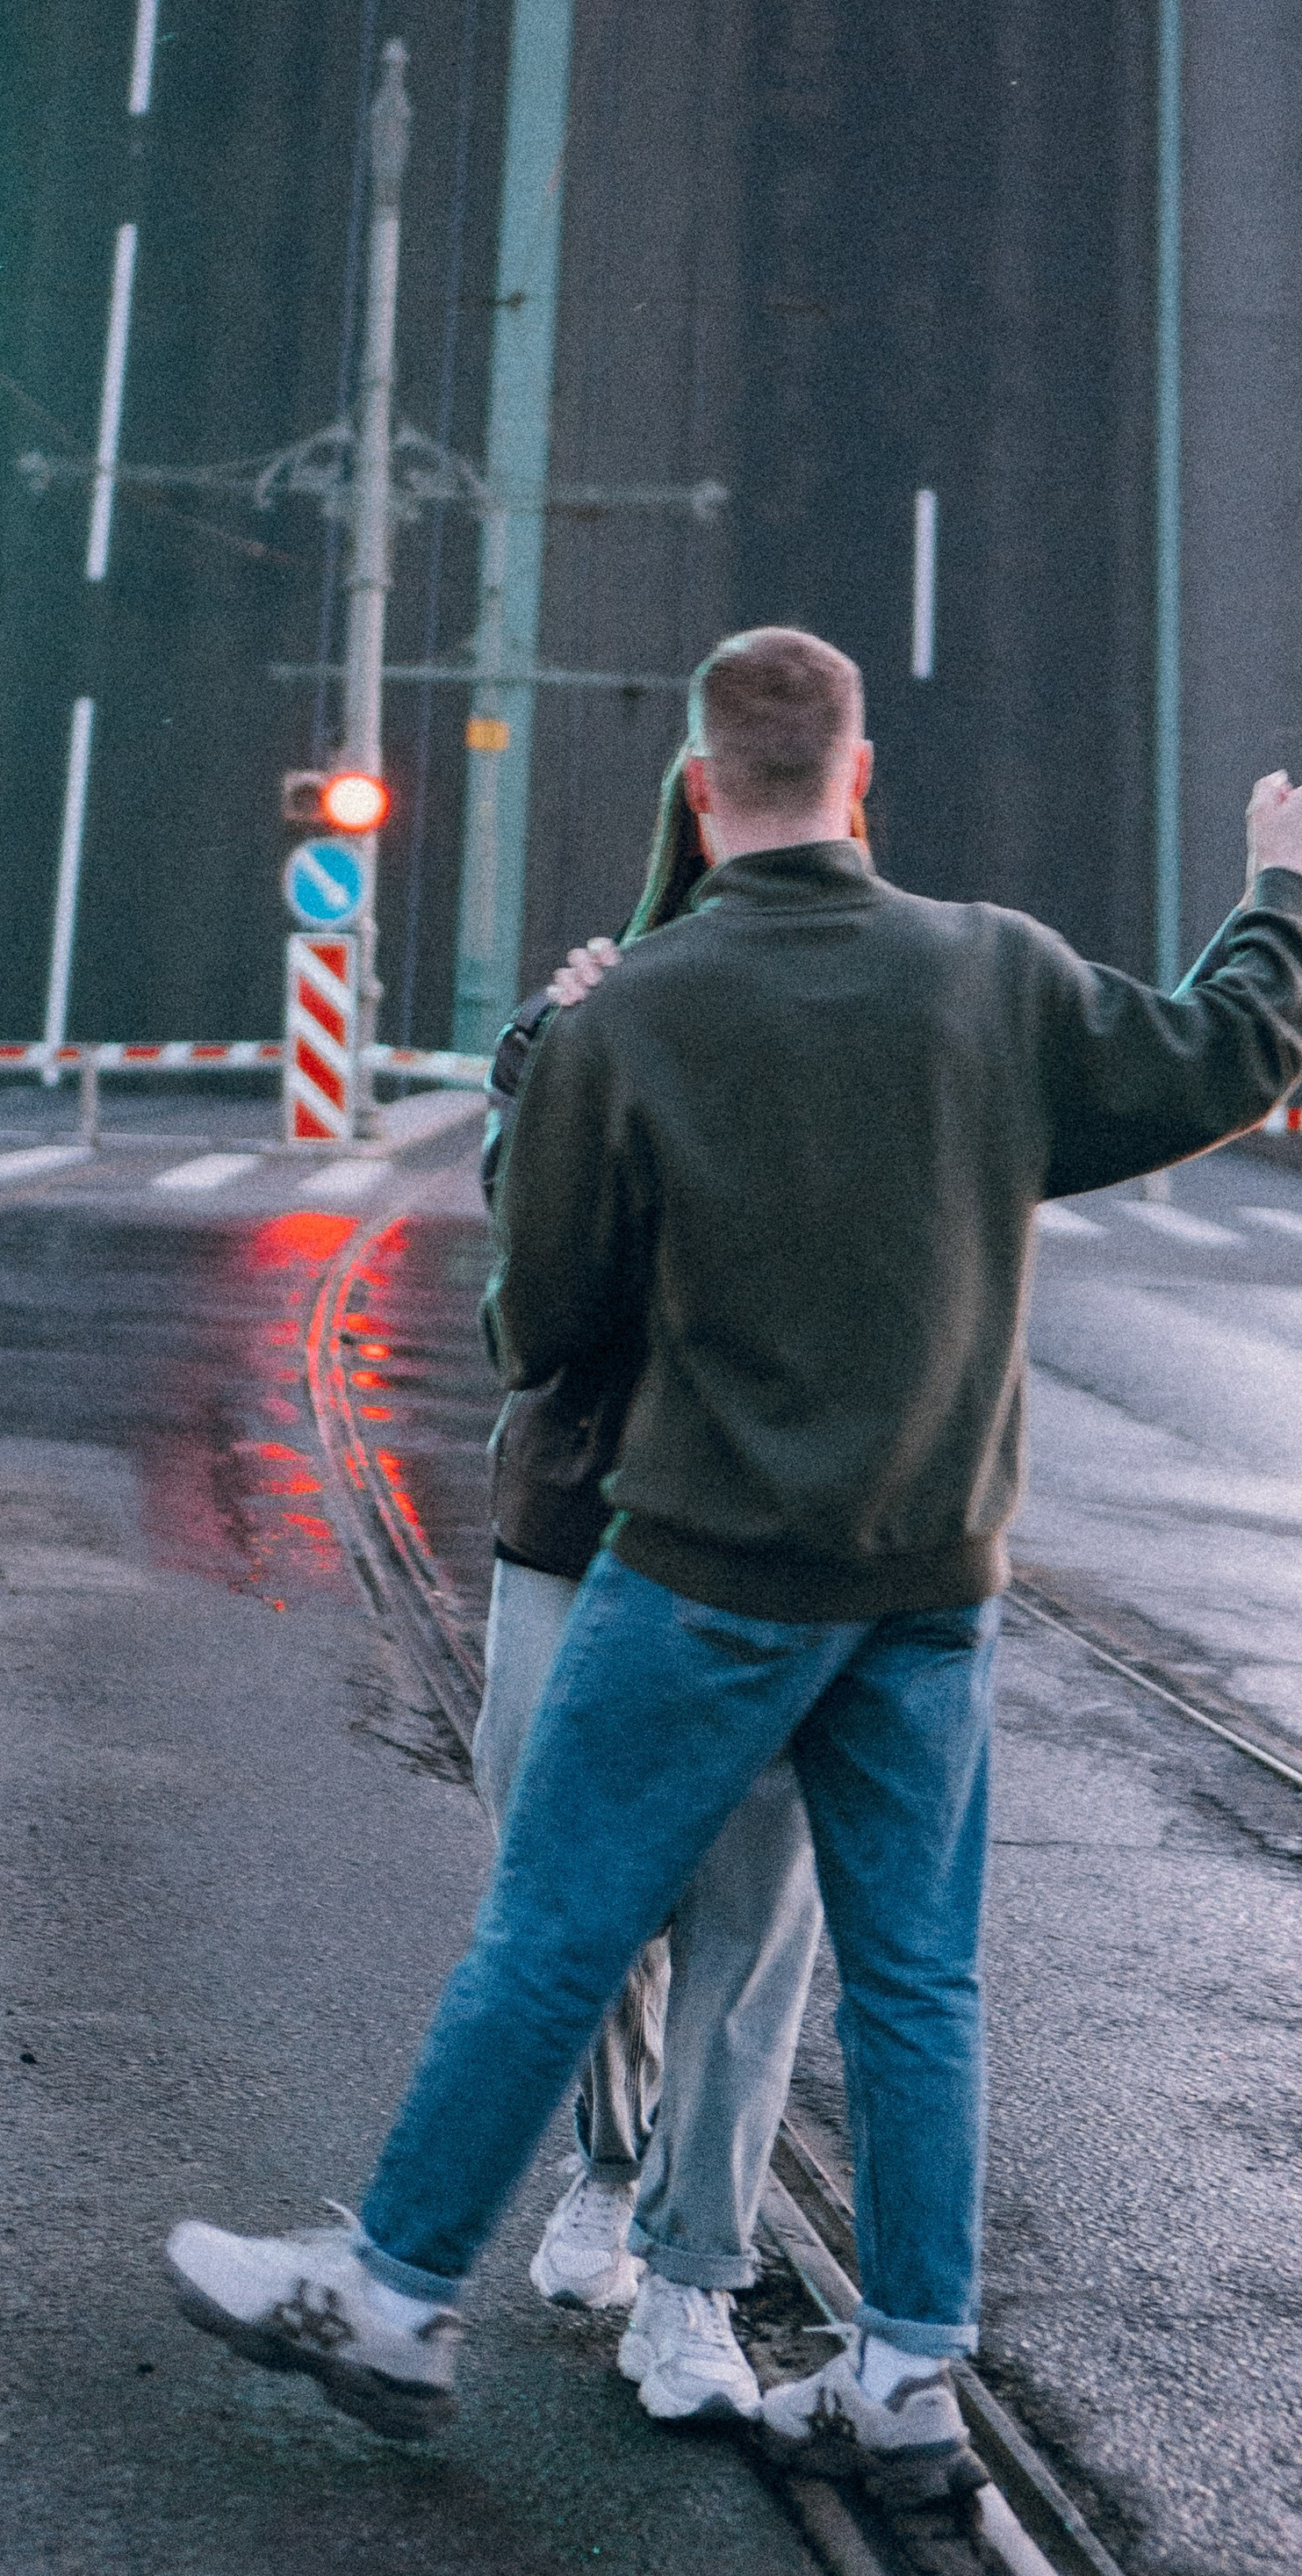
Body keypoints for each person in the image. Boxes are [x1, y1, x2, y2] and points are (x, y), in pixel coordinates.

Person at [167, 628, 1302, 2504]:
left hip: (707, 1579)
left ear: (703, 793)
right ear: (856, 778)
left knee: (554, 1934)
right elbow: (1227, 1049)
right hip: (928, 1585)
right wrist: (1281, 877)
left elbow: (538, 1327)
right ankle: (898, 2375)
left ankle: (392, 2296)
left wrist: (555, 1081)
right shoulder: (994, 975)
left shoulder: (639, 1010)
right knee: (912, 1986)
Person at [475, 751, 824, 2428]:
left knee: (751, 1922)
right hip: (579, 1512)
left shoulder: (861, 1000)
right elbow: (523, 1254)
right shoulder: (600, 1005)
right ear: (692, 824)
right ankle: (610, 2165)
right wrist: (553, 1053)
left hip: (772, 1532)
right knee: (560, 1870)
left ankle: (692, 2278)